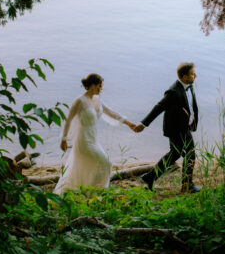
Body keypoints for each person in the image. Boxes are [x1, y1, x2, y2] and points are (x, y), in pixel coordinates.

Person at [54, 73, 140, 194]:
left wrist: (129, 124)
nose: (101, 89)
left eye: (101, 86)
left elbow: (112, 113)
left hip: (94, 140)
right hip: (83, 141)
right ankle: (94, 193)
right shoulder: (80, 101)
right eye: (99, 86)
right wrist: (63, 139)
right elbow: (68, 120)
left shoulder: (97, 100)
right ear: (92, 85)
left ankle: (87, 191)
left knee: (90, 167)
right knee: (106, 163)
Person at [136, 62, 201, 193]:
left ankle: (150, 177)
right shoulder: (173, 92)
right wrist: (143, 124)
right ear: (184, 77)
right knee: (190, 154)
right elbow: (158, 107)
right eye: (192, 74)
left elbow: (191, 106)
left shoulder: (189, 86)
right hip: (175, 129)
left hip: (185, 127)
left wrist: (193, 121)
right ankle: (187, 186)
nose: (196, 75)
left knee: (175, 154)